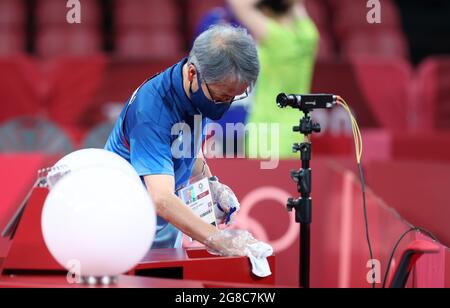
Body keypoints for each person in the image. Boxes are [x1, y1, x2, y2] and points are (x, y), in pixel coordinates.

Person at [105, 25, 262, 255]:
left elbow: (186, 146)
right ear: (192, 73)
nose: (225, 104)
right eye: (221, 97)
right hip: (123, 226)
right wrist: (217, 239)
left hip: (164, 225)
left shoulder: (201, 90)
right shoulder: (151, 111)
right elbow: (161, 198)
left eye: (234, 97)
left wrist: (211, 185)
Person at [227, 0, 320, 158]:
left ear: (266, 12)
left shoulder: (273, 36)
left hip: (264, 132)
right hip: (297, 131)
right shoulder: (309, 36)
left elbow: (237, 4)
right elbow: (297, 5)